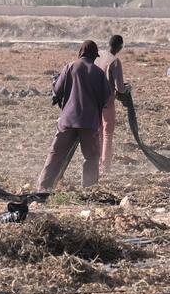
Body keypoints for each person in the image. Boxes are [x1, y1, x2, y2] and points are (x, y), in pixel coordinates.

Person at [36, 40, 113, 191]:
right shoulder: (98, 73)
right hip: (89, 123)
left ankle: (44, 187)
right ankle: (89, 189)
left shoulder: (70, 67)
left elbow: (57, 90)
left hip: (68, 121)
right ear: (93, 55)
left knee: (56, 154)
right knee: (91, 157)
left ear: (81, 52)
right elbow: (106, 98)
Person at [95, 34, 127, 174]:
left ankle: (96, 163)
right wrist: (127, 89)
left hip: (95, 101)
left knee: (98, 132)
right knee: (107, 133)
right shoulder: (114, 61)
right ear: (120, 47)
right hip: (107, 102)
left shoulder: (99, 55)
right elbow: (120, 88)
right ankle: (106, 166)